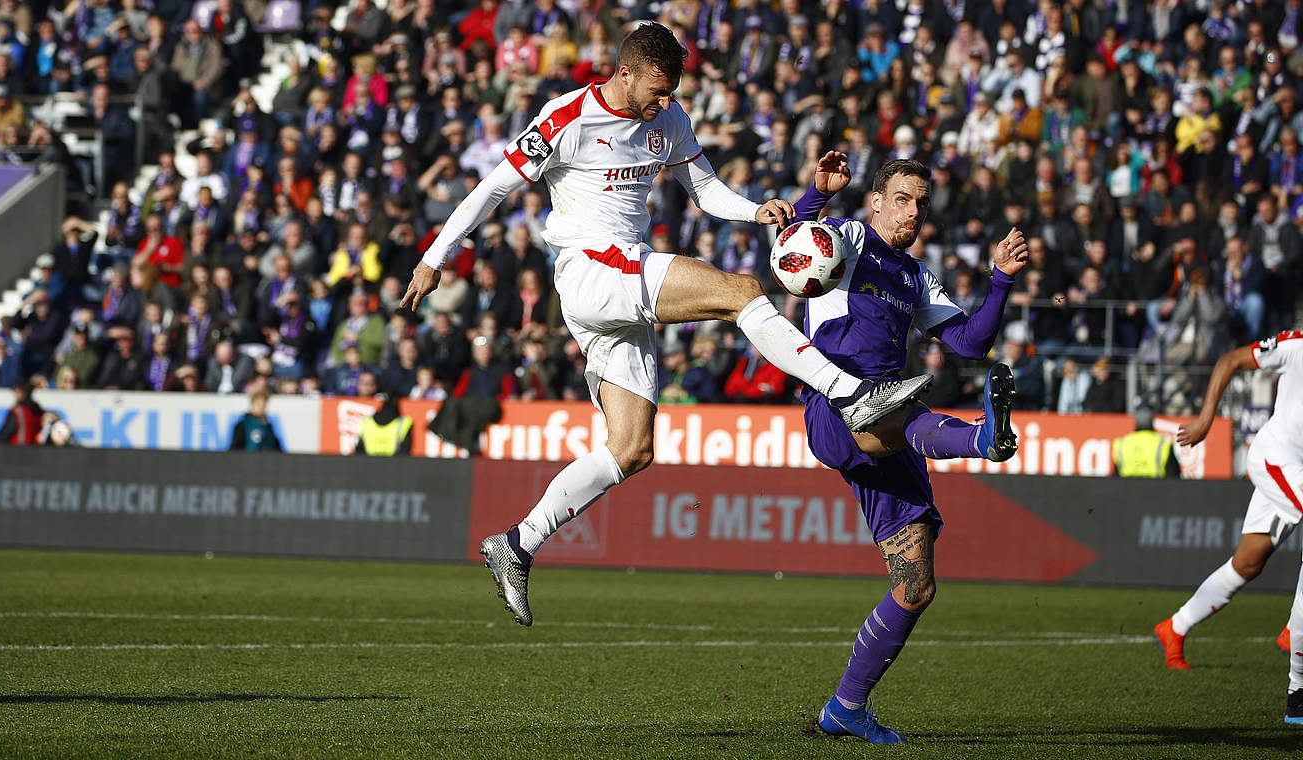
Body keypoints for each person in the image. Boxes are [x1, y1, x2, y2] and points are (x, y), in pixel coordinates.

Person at [399, 23, 929, 627]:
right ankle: (852, 393)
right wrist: (433, 258)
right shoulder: (567, 116)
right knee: (742, 292)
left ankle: (517, 543)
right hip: (592, 270)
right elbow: (493, 189)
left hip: (622, 287)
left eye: (673, 87)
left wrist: (755, 209)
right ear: (625, 72)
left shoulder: (669, 118)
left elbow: (704, 190)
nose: (666, 99)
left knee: (633, 448)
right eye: (658, 86)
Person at [788, 153, 1030, 744]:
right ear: (874, 201)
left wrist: (1000, 279)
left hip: (891, 424)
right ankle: (980, 436)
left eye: (921, 201)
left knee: (915, 583)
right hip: (836, 401)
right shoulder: (845, 237)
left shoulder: (916, 275)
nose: (913, 210)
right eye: (901, 197)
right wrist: (816, 195)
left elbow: (971, 344)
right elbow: (793, 247)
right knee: (890, 405)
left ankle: (844, 708)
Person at [1153, 330, 1303, 725]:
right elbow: (1230, 360)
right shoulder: (1296, 345)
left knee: (1249, 562)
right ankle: (1296, 644)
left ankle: (1175, 627)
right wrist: (1206, 419)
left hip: (1295, 471)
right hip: (1276, 458)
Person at [1112, 407, 1181, 478]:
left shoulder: (1121, 443)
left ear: (1135, 423)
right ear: (1152, 423)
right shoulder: (1163, 443)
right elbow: (1173, 474)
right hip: (1156, 486)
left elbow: (1116, 474)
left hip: (1125, 486)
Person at [0, 381, 46, 445]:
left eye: (17, 392)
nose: (15, 395)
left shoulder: (18, 411)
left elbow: (6, 432)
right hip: (35, 449)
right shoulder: (39, 412)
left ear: (22, 393)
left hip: (18, 450)